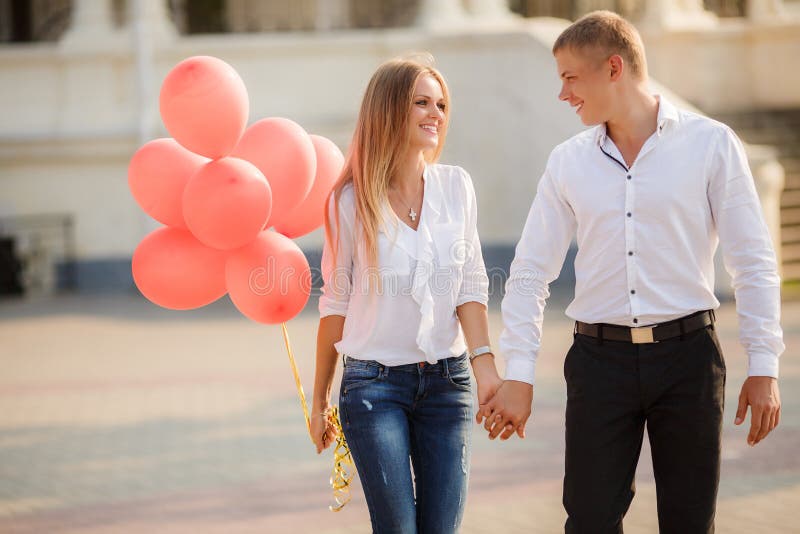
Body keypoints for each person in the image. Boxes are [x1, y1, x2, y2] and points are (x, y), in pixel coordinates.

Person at [480, 11, 784, 533]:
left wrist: (765, 365)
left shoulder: (711, 145)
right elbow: (530, 272)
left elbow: (752, 259)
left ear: (613, 68)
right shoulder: (567, 162)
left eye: (571, 77)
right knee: (591, 520)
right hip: (600, 365)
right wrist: (521, 375)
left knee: (690, 523)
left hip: (689, 360)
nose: (563, 94)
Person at [310, 56, 502, 533]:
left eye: (441, 104)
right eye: (422, 102)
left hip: (448, 384)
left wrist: (487, 373)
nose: (436, 113)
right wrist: (319, 403)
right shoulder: (349, 201)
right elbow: (334, 306)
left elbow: (470, 286)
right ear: (389, 108)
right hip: (374, 388)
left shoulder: (457, 187)